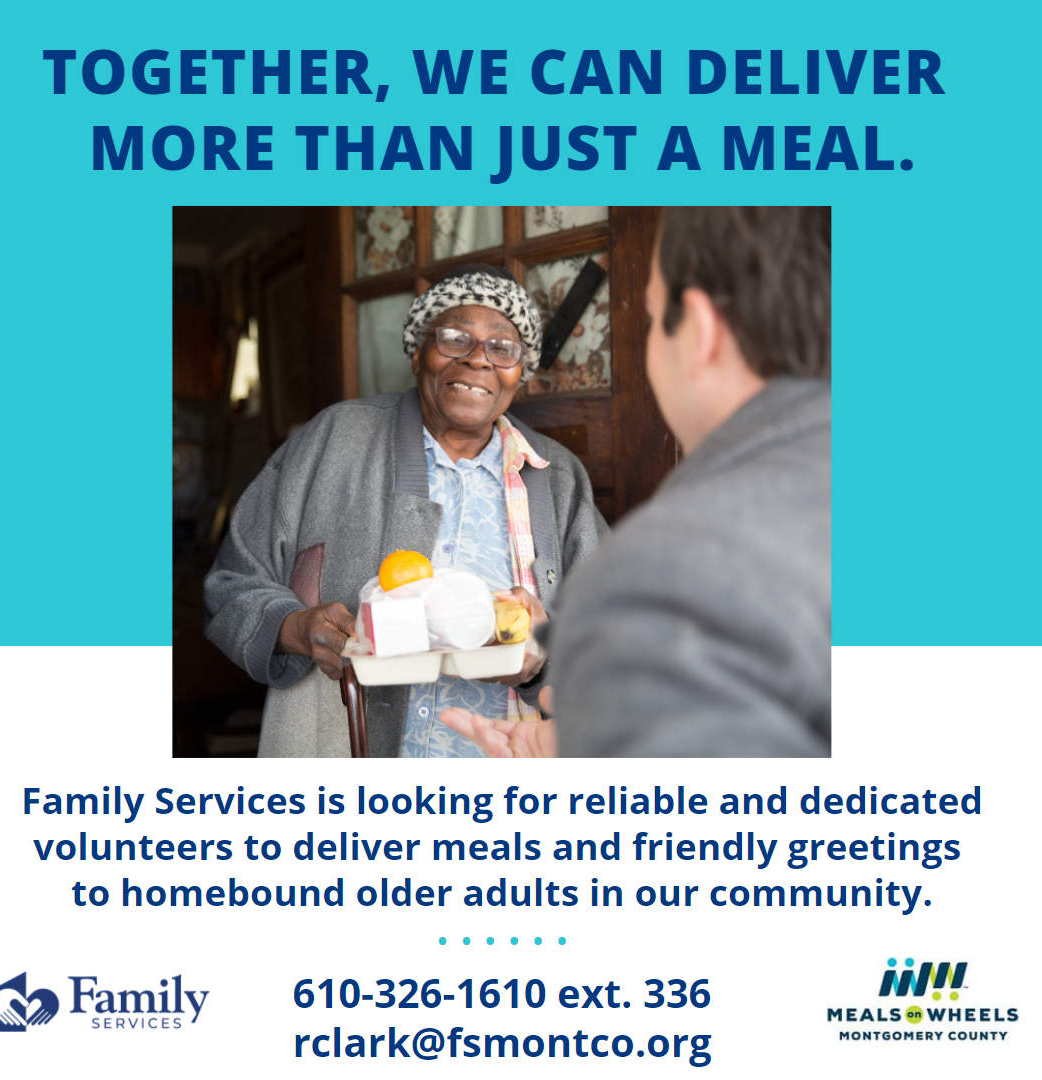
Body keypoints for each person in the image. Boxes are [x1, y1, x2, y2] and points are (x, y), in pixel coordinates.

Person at [441, 207, 831, 757]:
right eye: (455, 338)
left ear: (700, 332)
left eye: (651, 319)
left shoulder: (670, 574)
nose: (478, 361)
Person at [204, 264, 607, 757]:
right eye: (455, 338)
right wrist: (297, 628)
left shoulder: (555, 477)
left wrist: (544, 653)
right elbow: (230, 586)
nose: (479, 360)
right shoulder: (333, 440)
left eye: (502, 347)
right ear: (418, 353)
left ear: (518, 374)